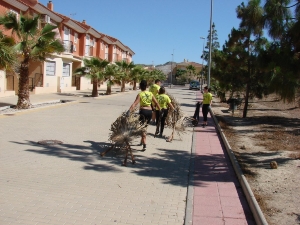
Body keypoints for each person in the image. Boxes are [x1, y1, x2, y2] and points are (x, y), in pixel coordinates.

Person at [128, 80, 161, 151]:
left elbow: (135, 104)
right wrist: (160, 110)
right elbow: (157, 103)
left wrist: (129, 111)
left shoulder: (140, 94)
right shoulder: (150, 94)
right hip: (149, 112)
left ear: (140, 86)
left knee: (142, 128)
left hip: (143, 112)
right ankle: (142, 141)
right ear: (146, 86)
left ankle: (145, 144)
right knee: (145, 127)